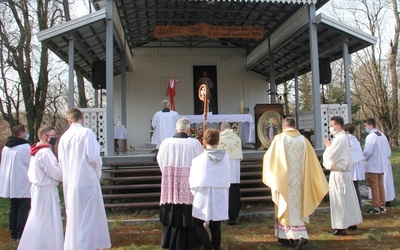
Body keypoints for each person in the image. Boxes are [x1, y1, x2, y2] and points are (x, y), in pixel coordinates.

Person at [262, 117, 328, 249]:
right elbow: (313, 163)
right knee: (298, 208)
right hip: (301, 182)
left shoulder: (279, 139)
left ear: (283, 126)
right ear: (295, 126)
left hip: (284, 181)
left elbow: (269, 158)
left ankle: (297, 236)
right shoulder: (304, 141)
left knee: (285, 207)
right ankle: (285, 237)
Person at [58, 108, 111, 250]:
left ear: (69, 121)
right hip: (86, 179)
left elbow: (61, 161)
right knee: (88, 216)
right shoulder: (86, 133)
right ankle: (86, 245)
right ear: (82, 118)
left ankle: (74, 244)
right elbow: (94, 156)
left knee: (75, 215)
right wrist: (98, 171)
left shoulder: (63, 137)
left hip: (70, 181)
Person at [156, 117, 203, 250]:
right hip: (189, 183)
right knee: (188, 212)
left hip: (171, 183)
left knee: (172, 211)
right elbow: (200, 161)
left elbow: (161, 162)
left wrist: (169, 174)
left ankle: (168, 241)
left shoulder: (166, 143)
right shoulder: (194, 144)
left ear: (176, 129)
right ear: (188, 130)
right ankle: (191, 242)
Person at [18, 125, 63, 250]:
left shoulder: (38, 150)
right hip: (45, 190)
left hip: (40, 189)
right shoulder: (44, 153)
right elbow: (55, 172)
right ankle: (42, 245)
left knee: (39, 217)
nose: (55, 138)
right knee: (45, 220)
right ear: (44, 136)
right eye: (53, 136)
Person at [190, 129, 230, 250]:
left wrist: (194, 193)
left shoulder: (198, 160)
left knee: (196, 223)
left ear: (203, 141)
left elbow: (193, 179)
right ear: (218, 141)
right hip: (219, 193)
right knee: (215, 225)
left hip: (203, 193)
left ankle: (208, 247)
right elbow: (227, 175)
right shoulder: (225, 157)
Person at [323, 116, 363, 235]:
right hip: (344, 173)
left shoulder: (340, 139)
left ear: (338, 126)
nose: (330, 128)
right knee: (347, 200)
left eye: (331, 125)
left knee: (339, 200)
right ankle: (350, 222)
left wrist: (327, 147)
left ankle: (340, 227)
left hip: (339, 173)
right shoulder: (342, 137)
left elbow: (331, 155)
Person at [0, 125, 31, 241]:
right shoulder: (24, 147)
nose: (27, 134)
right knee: (23, 207)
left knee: (14, 207)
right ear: (22, 133)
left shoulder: (7, 147)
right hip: (22, 181)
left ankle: (13, 232)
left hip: (11, 182)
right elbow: (30, 163)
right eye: (26, 131)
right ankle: (20, 233)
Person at [363, 118, 393, 214]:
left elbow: (368, 151)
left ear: (371, 125)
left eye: (366, 126)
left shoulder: (371, 136)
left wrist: (362, 157)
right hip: (381, 165)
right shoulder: (382, 136)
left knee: (374, 186)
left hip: (372, 165)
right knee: (380, 185)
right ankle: (382, 205)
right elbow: (388, 151)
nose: (365, 128)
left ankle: (375, 206)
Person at [218, 122, 243, 225]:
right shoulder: (237, 138)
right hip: (234, 170)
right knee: (234, 191)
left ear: (222, 129)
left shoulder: (219, 138)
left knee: (225, 193)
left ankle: (224, 215)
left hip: (224, 170)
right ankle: (234, 215)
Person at [343, 123, 365, 209]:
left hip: (350, 167)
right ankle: (358, 206)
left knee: (351, 189)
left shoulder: (347, 140)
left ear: (347, 131)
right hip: (356, 167)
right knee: (355, 187)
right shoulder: (355, 140)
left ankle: (352, 208)